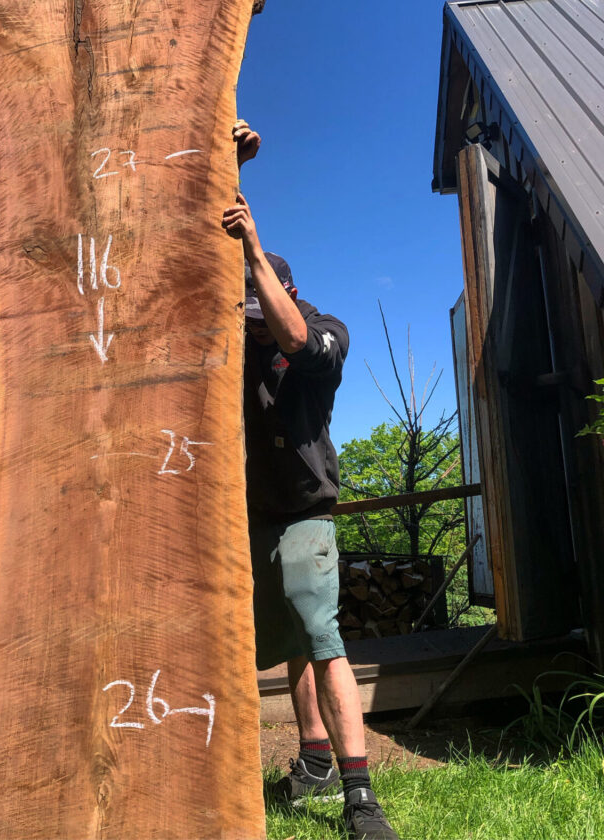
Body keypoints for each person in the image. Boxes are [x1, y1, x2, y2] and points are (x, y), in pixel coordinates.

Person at [224, 122, 400, 840]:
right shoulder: (235, 343)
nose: (254, 326)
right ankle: (315, 761)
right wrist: (227, 166)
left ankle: (361, 798)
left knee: (322, 639)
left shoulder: (323, 330)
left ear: (288, 290)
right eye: (246, 315)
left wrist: (254, 249)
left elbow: (295, 338)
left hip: (304, 511)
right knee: (291, 641)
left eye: (260, 311)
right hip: (248, 514)